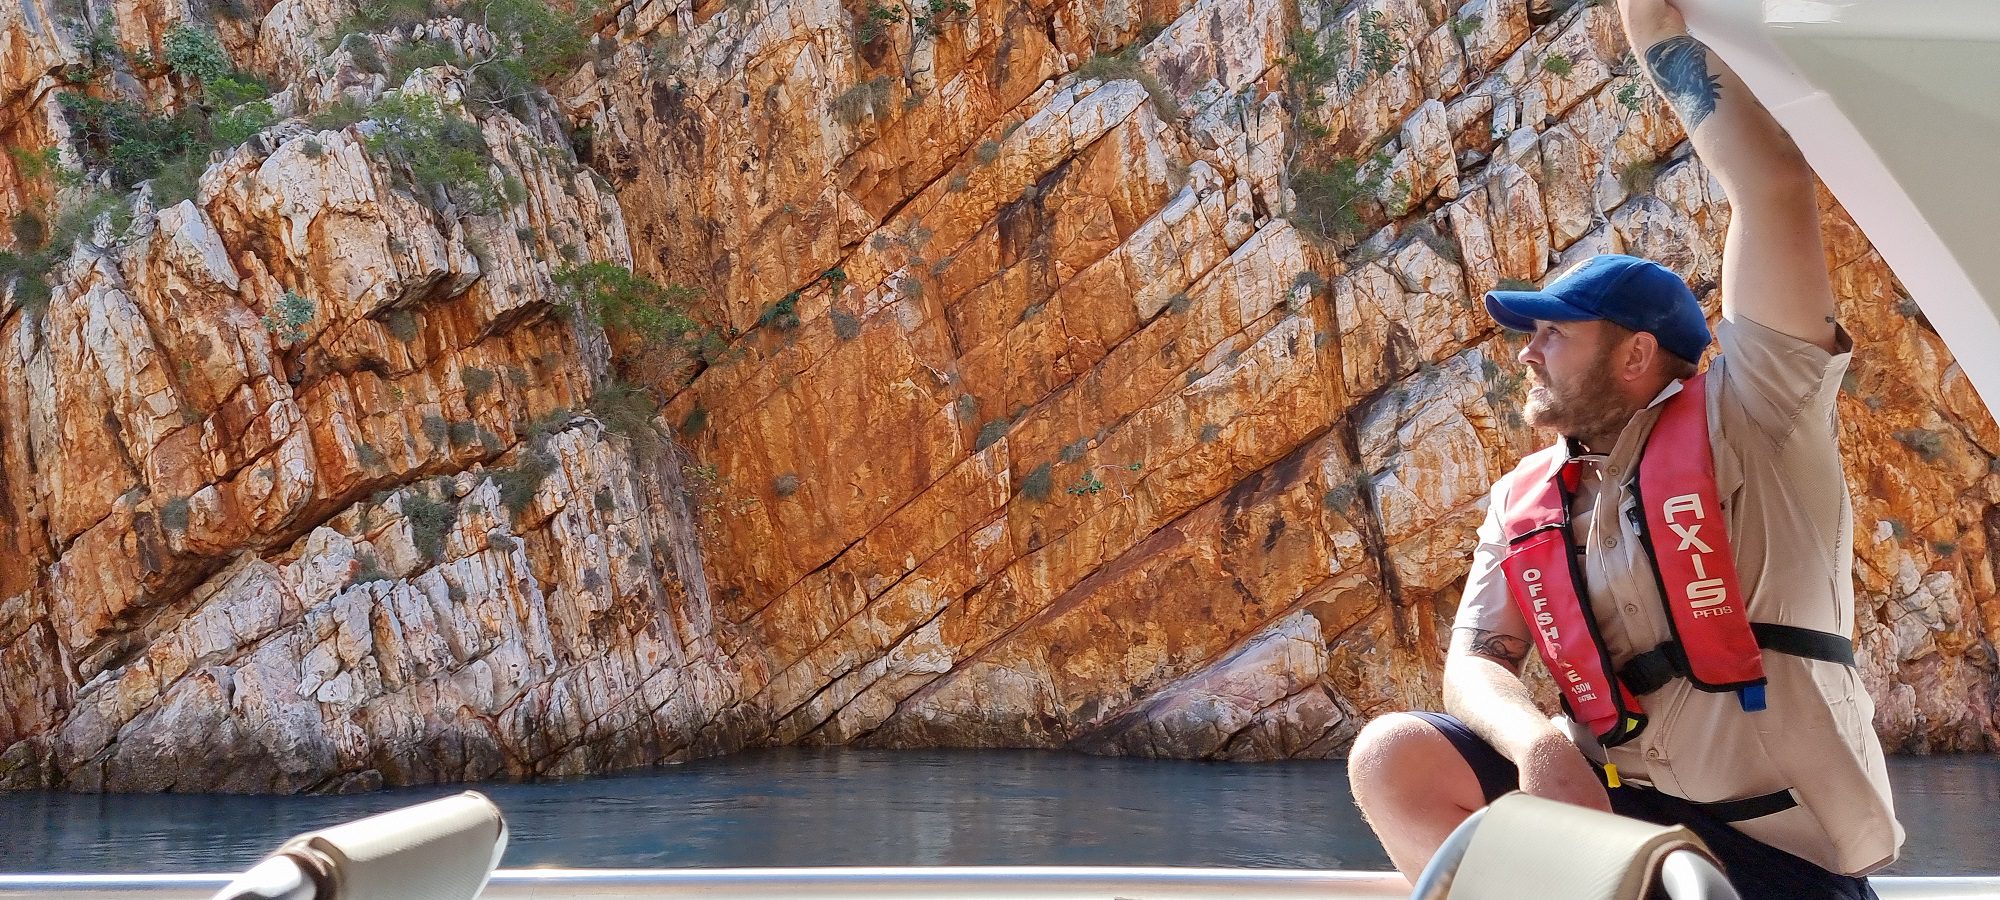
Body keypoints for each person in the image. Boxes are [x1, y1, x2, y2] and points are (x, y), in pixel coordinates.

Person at [1343, 0, 1904, 897]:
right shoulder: (1527, 497)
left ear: (1638, 354)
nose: (1527, 351)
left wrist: (1653, 26)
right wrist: (1539, 748)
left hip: (1782, 861)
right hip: (1621, 824)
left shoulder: (1758, 417)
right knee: (1394, 757)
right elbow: (1473, 665)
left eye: (1555, 332)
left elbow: (1774, 188)